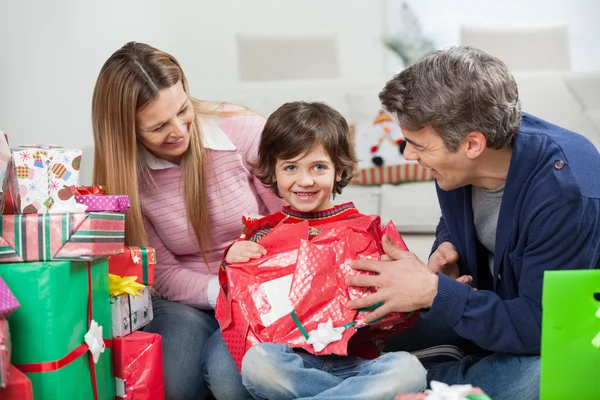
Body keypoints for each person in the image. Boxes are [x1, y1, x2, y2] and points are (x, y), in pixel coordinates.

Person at [345, 46, 600, 400]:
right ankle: (403, 377)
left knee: (544, 375)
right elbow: (453, 223)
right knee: (371, 325)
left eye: (418, 144)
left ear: (473, 144)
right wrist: (445, 257)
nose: (408, 155)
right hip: (489, 313)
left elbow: (543, 328)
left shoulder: (564, 192)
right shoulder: (454, 165)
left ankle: (410, 381)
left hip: (548, 330)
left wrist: (433, 291)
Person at [91, 42, 285, 400]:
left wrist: (247, 285)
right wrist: (219, 291)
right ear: (128, 132)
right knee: (173, 381)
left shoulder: (241, 129)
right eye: (157, 127)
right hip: (186, 300)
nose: (178, 130)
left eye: (183, 110)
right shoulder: (127, 178)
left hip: (258, 290)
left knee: (231, 380)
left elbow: (289, 220)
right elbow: (161, 273)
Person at [221, 101, 427, 400]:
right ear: (273, 172)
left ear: (338, 170)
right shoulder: (261, 234)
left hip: (359, 364)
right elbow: (241, 312)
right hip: (294, 363)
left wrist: (404, 302)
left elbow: (403, 315)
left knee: (408, 369)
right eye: (290, 167)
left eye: (318, 167)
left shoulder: (371, 232)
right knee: (258, 362)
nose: (305, 180)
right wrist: (230, 260)